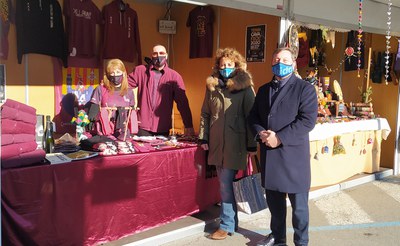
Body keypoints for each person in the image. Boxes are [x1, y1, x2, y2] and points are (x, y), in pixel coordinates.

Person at [248, 47, 318, 246]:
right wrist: (260, 132)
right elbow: (253, 116)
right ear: (271, 63)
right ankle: (278, 239)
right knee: (275, 206)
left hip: (293, 157)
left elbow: (307, 121)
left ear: (294, 64)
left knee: (300, 209)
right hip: (271, 157)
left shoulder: (305, 89)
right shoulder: (263, 90)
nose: (281, 63)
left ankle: (301, 242)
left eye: (286, 60)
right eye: (277, 59)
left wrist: (279, 138)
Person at [198, 47, 257, 240]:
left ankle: (226, 224)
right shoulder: (212, 87)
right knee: (225, 184)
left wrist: (251, 145)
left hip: (235, 144)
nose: (225, 68)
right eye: (222, 65)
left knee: (224, 184)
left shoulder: (245, 88)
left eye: (229, 64)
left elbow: (252, 117)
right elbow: (206, 114)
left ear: (237, 66)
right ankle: (232, 220)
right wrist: (203, 137)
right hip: (216, 143)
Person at [128, 44, 194, 136]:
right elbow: (123, 86)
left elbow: (182, 103)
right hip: (142, 126)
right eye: (155, 53)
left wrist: (188, 125)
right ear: (152, 55)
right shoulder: (140, 71)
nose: (158, 56)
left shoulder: (174, 77)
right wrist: (107, 86)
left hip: (163, 127)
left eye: (161, 53)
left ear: (166, 55)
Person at [87, 58, 136, 140]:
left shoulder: (129, 92)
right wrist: (104, 116)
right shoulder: (100, 89)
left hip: (124, 135)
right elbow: (92, 115)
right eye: (112, 73)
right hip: (104, 134)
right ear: (108, 75)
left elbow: (131, 116)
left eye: (118, 72)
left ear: (123, 73)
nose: (115, 75)